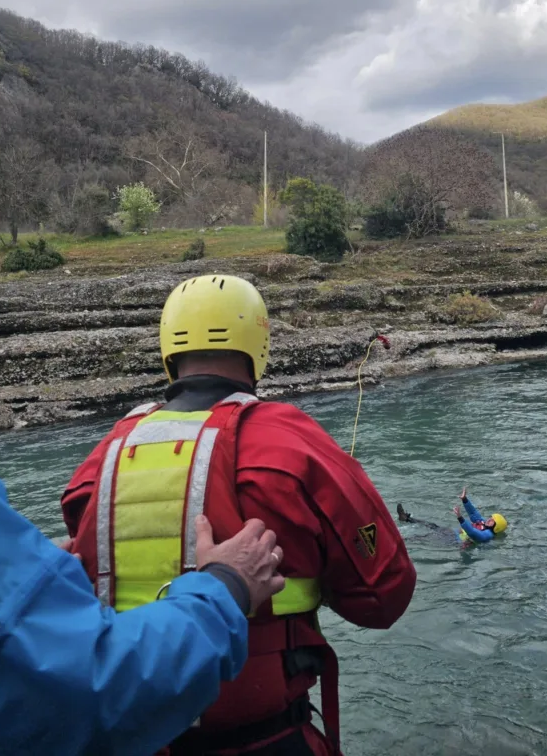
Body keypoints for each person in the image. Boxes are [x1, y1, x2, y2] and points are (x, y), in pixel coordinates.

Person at [0, 244, 286, 756]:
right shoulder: (292, 437)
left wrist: (24, 587)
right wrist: (226, 586)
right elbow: (89, 690)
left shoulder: (104, 453)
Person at [62, 274, 417, 756]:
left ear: (170, 351)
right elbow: (383, 598)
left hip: (125, 737)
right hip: (267, 735)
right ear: (259, 345)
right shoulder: (291, 440)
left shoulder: (103, 456)